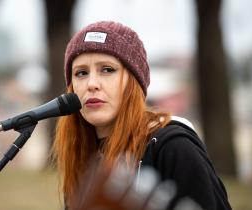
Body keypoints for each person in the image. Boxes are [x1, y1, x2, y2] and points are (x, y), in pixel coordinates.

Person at [51, 21, 232, 210]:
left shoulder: (174, 147)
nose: (91, 83)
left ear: (134, 83)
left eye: (107, 69)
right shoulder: (81, 155)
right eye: (81, 73)